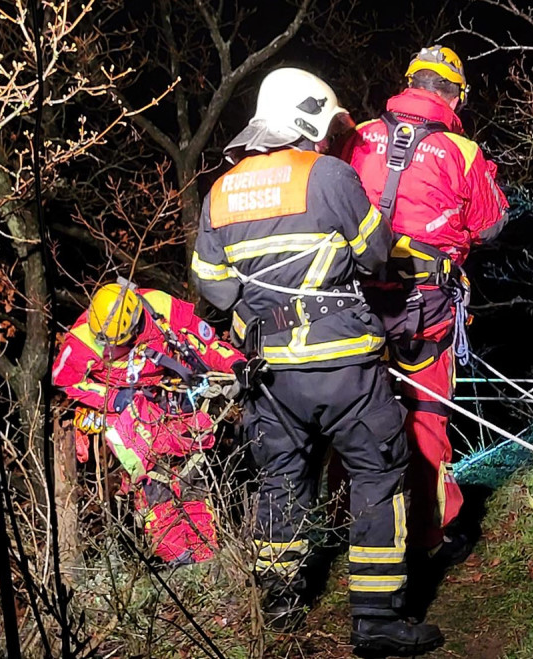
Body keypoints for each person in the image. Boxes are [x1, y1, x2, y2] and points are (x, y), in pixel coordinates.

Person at [191, 67, 443, 655]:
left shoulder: (221, 191)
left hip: (269, 376)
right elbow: (377, 255)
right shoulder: (328, 174)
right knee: (377, 476)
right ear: (309, 122)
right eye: (327, 128)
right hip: (344, 368)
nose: (331, 140)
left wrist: (262, 299)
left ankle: (275, 602)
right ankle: (377, 619)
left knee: (280, 481)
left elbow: (212, 285)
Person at [338, 45, 508, 564]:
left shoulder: (356, 136)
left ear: (409, 83)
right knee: (426, 413)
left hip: (352, 299)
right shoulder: (463, 151)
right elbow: (492, 225)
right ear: (455, 93)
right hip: (425, 306)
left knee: (352, 412)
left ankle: (350, 525)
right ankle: (432, 533)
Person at [52, 280, 244, 564]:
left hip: (170, 399)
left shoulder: (159, 307)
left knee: (193, 476)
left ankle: (206, 556)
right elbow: (64, 380)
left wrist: (235, 365)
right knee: (151, 482)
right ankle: (177, 559)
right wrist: (112, 398)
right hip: (125, 415)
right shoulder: (82, 340)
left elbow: (205, 343)